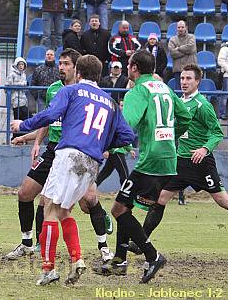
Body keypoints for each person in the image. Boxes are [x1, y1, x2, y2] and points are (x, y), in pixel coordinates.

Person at [11, 54, 135, 286]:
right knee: (64, 210)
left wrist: (23, 126)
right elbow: (128, 135)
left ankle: (48, 269)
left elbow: (50, 115)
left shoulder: (71, 91)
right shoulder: (109, 101)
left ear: (78, 72)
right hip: (92, 162)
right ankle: (77, 259)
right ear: (99, 75)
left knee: (49, 209)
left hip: (68, 154)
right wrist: (101, 144)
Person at [99, 50, 191, 283]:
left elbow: (127, 125)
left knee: (118, 209)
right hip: (168, 157)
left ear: (134, 68)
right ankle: (120, 260)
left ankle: (153, 256)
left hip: (151, 160)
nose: (128, 68)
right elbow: (185, 117)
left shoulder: (137, 91)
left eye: (129, 65)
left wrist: (106, 144)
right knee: (124, 205)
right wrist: (170, 137)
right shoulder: (164, 88)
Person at [129, 64, 227, 254]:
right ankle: (141, 241)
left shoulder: (202, 105)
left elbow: (216, 133)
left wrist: (204, 149)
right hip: (179, 161)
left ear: (197, 81)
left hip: (200, 163)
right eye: (182, 79)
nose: (184, 82)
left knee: (222, 200)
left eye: (188, 79)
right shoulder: (176, 102)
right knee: (160, 199)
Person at [96, 100, 136, 189]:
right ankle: (125, 195)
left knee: (104, 173)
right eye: (121, 105)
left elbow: (125, 136)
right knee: (124, 173)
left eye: (124, 105)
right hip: (116, 151)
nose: (122, 107)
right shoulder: (112, 118)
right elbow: (106, 133)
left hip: (117, 150)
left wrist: (130, 149)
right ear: (118, 106)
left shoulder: (122, 118)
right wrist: (105, 149)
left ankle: (89, 190)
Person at [168, 21, 197, 91]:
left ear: (186, 28)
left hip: (191, 70)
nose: (180, 29)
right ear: (176, 28)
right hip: (178, 71)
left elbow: (191, 48)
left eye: (182, 27)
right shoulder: (172, 39)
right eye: (179, 27)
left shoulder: (192, 37)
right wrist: (187, 51)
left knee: (191, 91)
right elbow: (172, 53)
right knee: (179, 93)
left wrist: (178, 48)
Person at [6, 57, 29, 140]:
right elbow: (7, 86)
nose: (21, 66)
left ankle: (23, 137)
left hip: (23, 99)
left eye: (22, 64)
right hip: (15, 100)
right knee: (17, 119)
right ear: (16, 65)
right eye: (19, 64)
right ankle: (15, 137)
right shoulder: (12, 74)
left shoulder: (24, 74)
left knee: (24, 118)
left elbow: (25, 86)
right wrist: (21, 85)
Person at [218, 41, 228, 120]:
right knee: (225, 95)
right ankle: (222, 114)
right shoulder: (225, 48)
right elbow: (220, 61)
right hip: (226, 75)